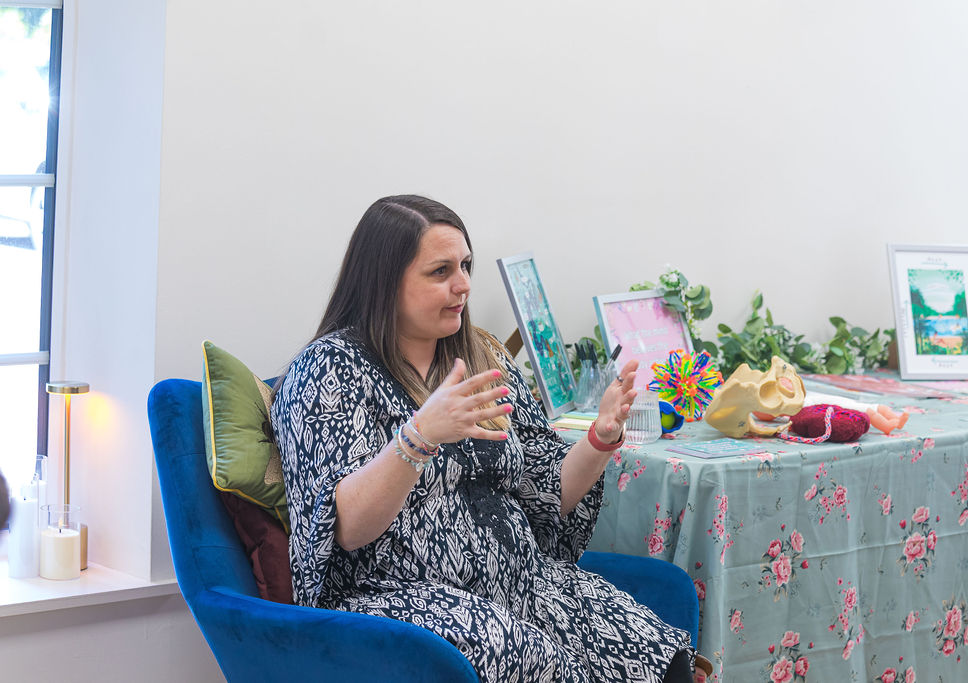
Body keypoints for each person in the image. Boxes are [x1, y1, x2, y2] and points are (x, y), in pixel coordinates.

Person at [271, 196, 704, 682]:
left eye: (465, 265)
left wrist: (601, 439)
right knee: (526, 656)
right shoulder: (330, 370)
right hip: (398, 598)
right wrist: (418, 437)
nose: (463, 285)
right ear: (384, 283)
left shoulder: (481, 359)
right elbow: (345, 528)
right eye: (440, 272)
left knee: (657, 653)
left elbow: (549, 494)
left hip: (522, 586)